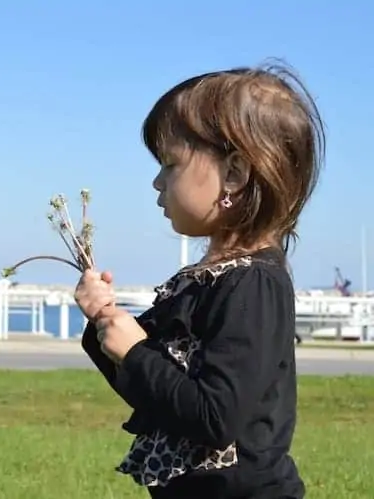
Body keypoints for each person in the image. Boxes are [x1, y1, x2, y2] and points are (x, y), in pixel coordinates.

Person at [74, 62, 325, 499]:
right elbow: (157, 394)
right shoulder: (202, 281)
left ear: (234, 174)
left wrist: (133, 351)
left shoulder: (254, 286)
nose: (157, 182)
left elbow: (215, 416)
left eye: (170, 164)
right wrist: (104, 322)